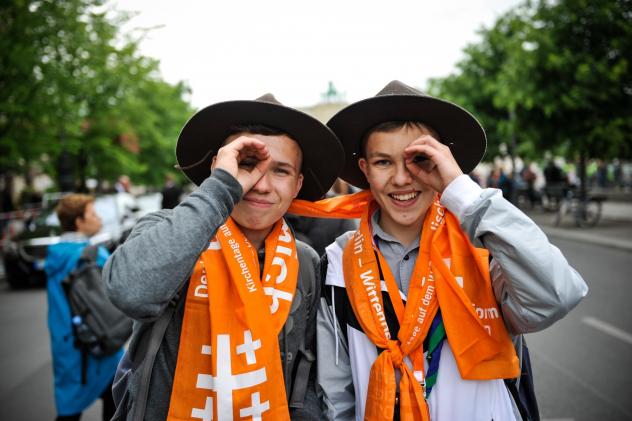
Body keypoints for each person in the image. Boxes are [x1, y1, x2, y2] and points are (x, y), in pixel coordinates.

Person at [316, 81, 588, 420]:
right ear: (365, 170)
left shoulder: (484, 247)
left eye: (418, 159)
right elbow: (336, 394)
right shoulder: (338, 262)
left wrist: (463, 193)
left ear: (444, 162)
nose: (402, 179)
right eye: (384, 162)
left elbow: (557, 294)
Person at [103, 94, 344, 420]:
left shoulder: (305, 262)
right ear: (219, 167)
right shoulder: (168, 231)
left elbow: (304, 379)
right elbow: (130, 290)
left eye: (281, 171)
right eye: (247, 165)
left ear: (298, 184)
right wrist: (221, 187)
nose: (261, 185)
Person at [44, 194, 122, 421]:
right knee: (117, 398)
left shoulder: (55, 256)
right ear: (79, 222)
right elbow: (120, 289)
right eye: (93, 214)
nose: (99, 219)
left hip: (67, 343)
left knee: (69, 407)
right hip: (99, 342)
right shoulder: (94, 255)